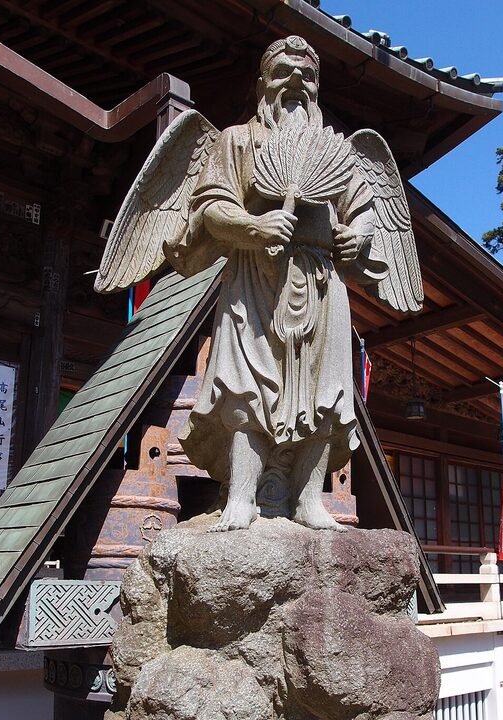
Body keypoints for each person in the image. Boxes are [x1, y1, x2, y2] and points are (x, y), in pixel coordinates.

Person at [169, 36, 379, 531]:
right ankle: (242, 495)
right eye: (283, 71)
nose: (296, 83)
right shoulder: (236, 141)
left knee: (324, 394)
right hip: (254, 276)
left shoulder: (335, 151)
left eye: (307, 76)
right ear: (263, 81)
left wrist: (357, 238)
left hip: (321, 282)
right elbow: (210, 207)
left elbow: (364, 207)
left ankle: (309, 499)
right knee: (247, 388)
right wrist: (254, 227)